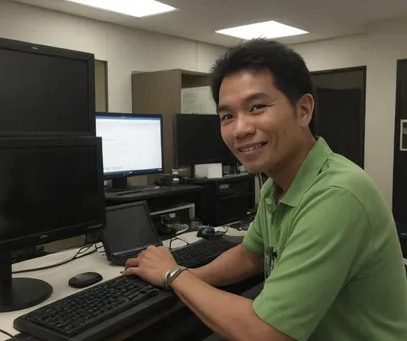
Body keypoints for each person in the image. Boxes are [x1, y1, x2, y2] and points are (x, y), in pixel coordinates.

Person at [123, 38, 407, 341]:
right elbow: (250, 254)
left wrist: (173, 275)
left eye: (257, 107)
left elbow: (267, 334)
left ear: (303, 110)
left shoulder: (337, 194)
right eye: (227, 116)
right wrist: (192, 275)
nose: (240, 129)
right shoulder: (278, 184)